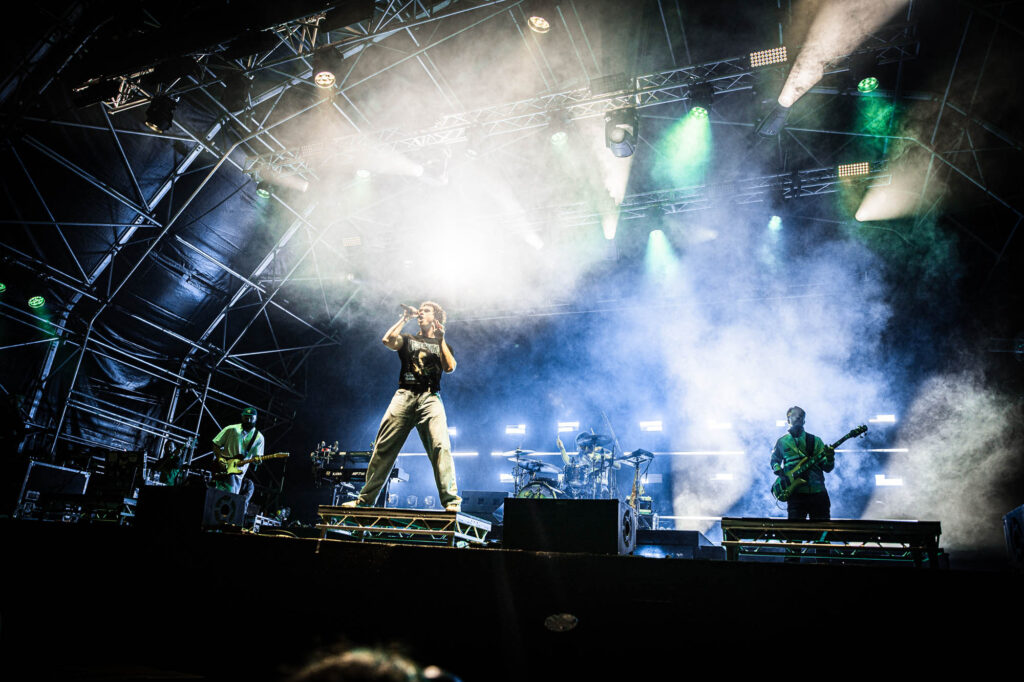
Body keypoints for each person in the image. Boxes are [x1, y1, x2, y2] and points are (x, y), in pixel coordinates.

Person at [349, 302, 460, 511]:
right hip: (404, 395)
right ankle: (365, 501)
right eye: (420, 310)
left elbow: (450, 367)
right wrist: (405, 317)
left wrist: (441, 338)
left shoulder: (442, 344)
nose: (421, 312)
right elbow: (387, 340)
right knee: (383, 447)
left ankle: (451, 501)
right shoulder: (409, 339)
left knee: (441, 446)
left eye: (426, 310)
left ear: (435, 317)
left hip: (430, 398)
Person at [771, 406, 835, 520]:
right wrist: (780, 473)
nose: (798, 416)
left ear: (804, 420)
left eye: (801, 415)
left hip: (818, 492)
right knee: (795, 534)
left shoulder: (816, 441)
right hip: (795, 494)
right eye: (794, 414)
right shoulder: (782, 442)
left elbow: (827, 468)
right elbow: (774, 460)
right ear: (788, 420)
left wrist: (830, 458)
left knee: (822, 533)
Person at [211, 406, 264, 514]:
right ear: (242, 417)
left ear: (256, 419)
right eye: (246, 417)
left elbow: (256, 457)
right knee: (217, 499)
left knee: (226, 502)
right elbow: (215, 443)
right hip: (221, 468)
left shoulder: (259, 437)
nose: (248, 420)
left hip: (237, 474)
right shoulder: (231, 429)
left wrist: (257, 460)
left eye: (251, 418)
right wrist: (220, 458)